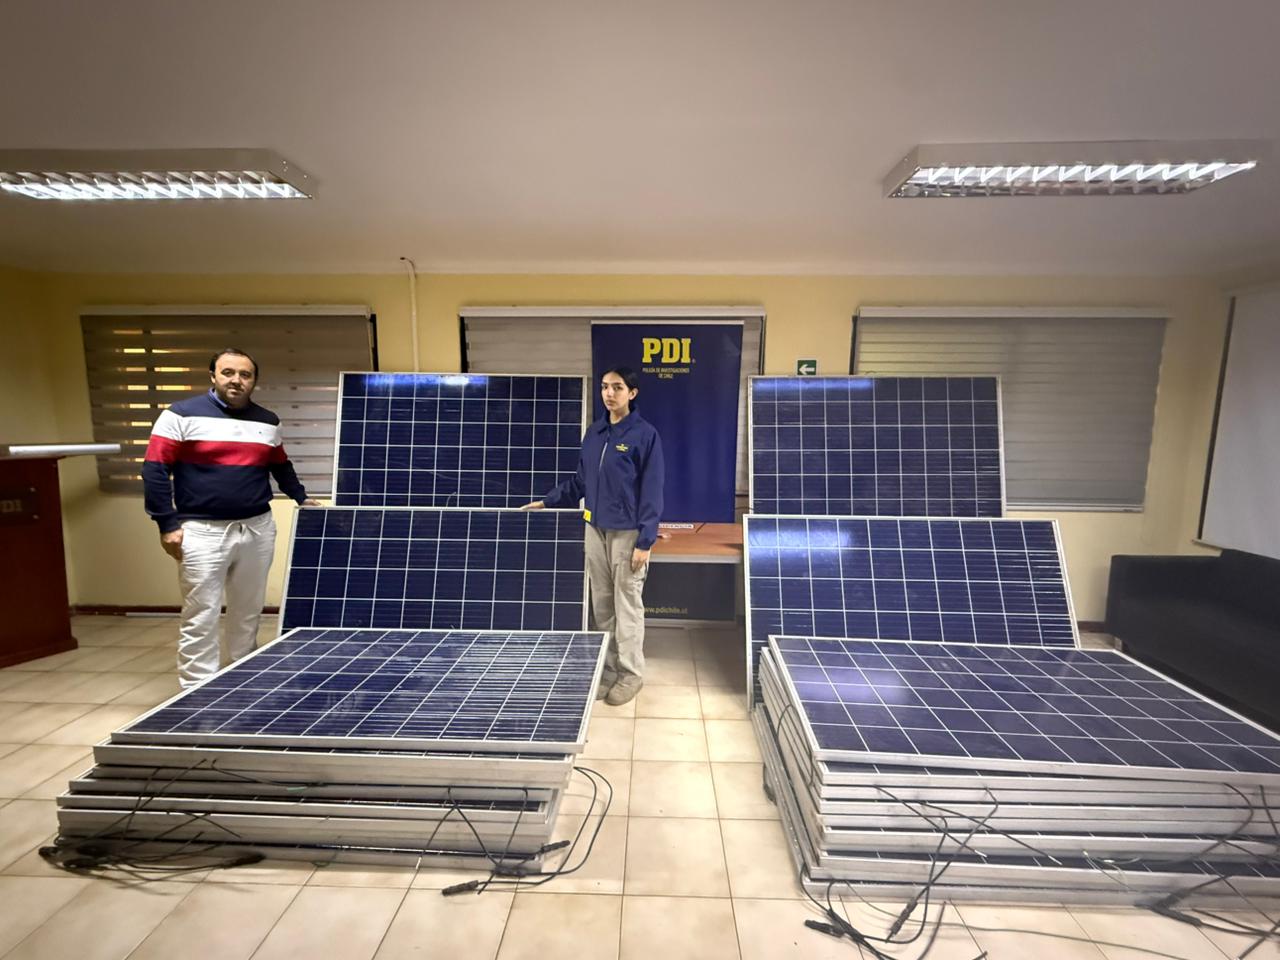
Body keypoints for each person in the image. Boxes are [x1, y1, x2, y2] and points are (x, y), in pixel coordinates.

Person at [143, 348, 318, 687]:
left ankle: (243, 678)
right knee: (202, 613)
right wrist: (167, 524)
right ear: (213, 376)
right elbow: (154, 470)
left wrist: (300, 496)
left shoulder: (267, 421)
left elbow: (280, 465)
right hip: (202, 531)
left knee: (248, 609)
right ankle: (196, 690)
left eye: (245, 374)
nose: (236, 380)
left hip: (257, 528)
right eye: (228, 373)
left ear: (254, 381)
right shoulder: (179, 415)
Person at [523, 365, 664, 706]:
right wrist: (547, 501)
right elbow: (580, 482)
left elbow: (652, 490)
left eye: (617, 387)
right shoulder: (595, 433)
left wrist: (645, 541)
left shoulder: (644, 435)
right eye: (604, 387)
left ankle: (631, 675)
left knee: (627, 606)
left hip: (627, 533)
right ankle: (609, 669)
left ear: (632, 393)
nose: (609, 393)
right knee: (602, 605)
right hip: (594, 529)